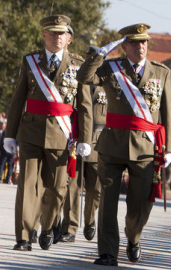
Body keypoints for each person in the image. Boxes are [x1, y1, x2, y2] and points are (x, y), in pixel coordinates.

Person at [76, 23, 171, 266]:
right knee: (107, 202)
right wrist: (99, 55)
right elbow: (84, 77)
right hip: (112, 144)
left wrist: (170, 147)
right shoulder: (110, 68)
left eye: (144, 42)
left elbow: (168, 112)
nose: (141, 47)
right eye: (135, 42)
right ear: (124, 46)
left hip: (145, 148)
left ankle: (133, 237)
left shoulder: (161, 72)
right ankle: (108, 252)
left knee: (140, 204)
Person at [4, 14, 93, 251]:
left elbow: (84, 105)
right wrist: (10, 134)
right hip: (31, 132)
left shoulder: (78, 65)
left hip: (62, 137)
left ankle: (49, 225)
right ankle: (23, 237)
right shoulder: (30, 61)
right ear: (44, 35)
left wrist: (85, 138)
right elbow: (17, 99)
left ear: (69, 38)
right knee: (28, 185)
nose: (57, 37)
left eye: (61, 33)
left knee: (57, 188)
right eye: (52, 33)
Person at [60, 46, 106, 243]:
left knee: (95, 188)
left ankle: (90, 219)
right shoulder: (76, 78)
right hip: (76, 136)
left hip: (99, 142)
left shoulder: (108, 83)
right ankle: (70, 227)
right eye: (89, 59)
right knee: (72, 184)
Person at [0, 119, 14, 184]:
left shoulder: (5, 132)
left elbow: (1, 141)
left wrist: (1, 149)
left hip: (5, 150)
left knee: (2, 164)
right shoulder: (15, 132)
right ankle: (8, 179)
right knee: (10, 166)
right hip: (12, 151)